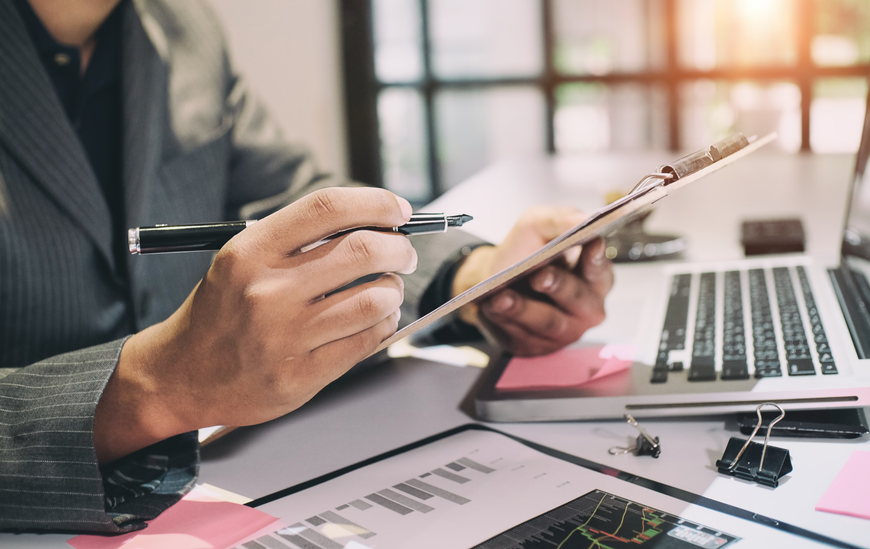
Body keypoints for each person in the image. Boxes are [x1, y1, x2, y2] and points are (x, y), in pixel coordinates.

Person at [0, 0, 614, 534]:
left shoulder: (181, 28)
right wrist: (154, 385)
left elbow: (294, 200)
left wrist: (477, 275)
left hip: (227, 490)